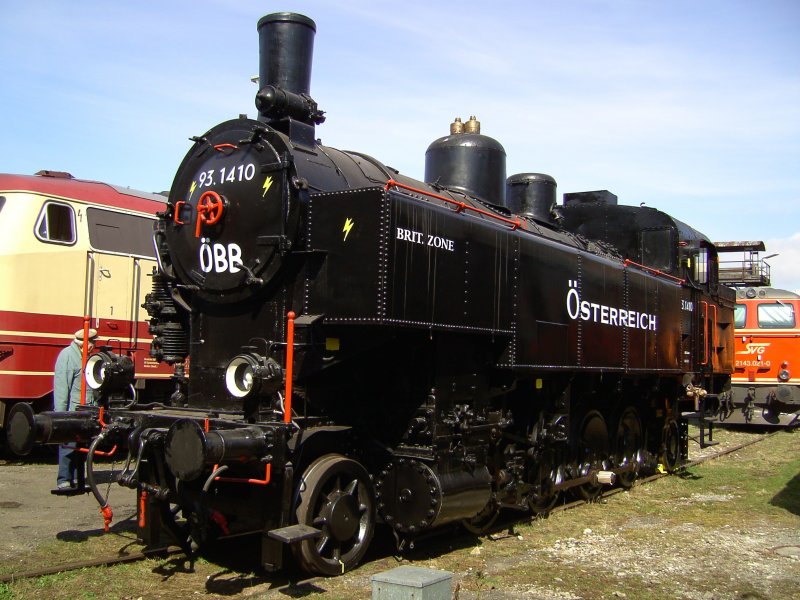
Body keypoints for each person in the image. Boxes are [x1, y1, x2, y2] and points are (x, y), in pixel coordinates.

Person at [54, 328, 98, 490]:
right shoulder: (67, 356)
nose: (94, 345)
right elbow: (61, 388)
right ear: (84, 343)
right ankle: (64, 479)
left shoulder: (87, 357)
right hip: (72, 410)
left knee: (82, 447)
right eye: (93, 342)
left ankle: (78, 479)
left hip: (86, 410)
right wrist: (60, 415)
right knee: (68, 445)